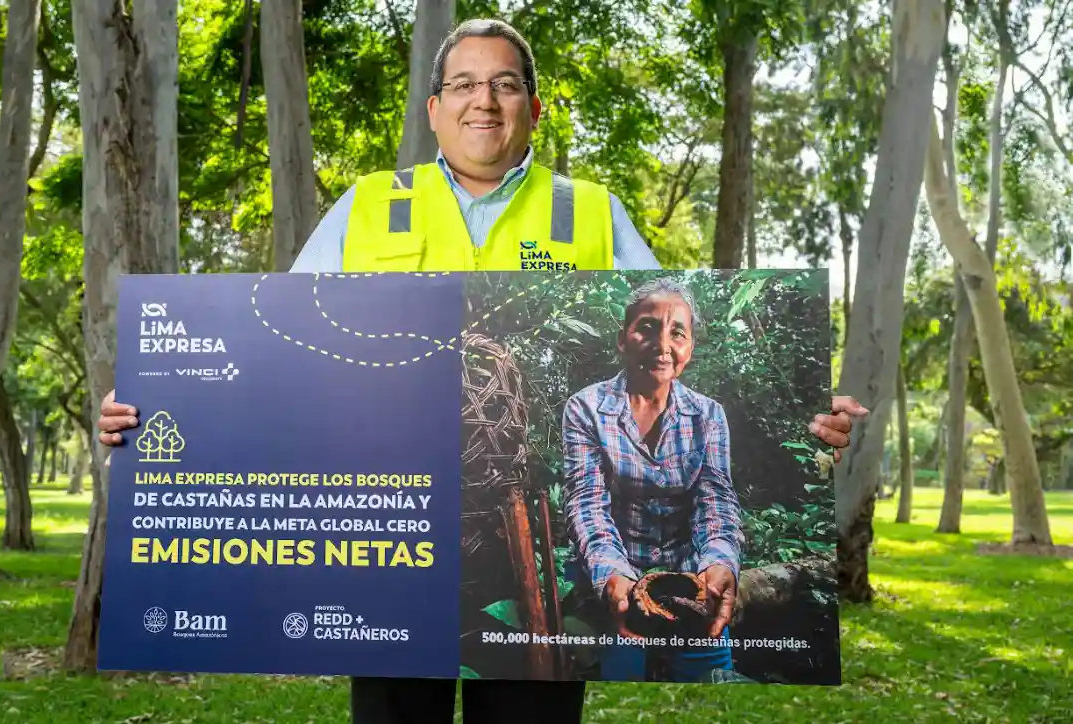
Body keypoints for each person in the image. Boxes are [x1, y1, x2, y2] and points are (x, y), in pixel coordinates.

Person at [97, 17, 868, 724]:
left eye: (504, 84)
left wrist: (814, 413)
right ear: (434, 109)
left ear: (535, 108)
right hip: (389, 533)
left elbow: (667, 339)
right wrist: (161, 399)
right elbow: (277, 353)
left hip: (514, 534)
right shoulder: (368, 207)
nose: (485, 101)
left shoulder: (591, 213)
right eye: (464, 84)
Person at [561, 277, 739, 684]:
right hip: (614, 576)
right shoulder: (586, 408)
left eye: (677, 332)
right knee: (617, 687)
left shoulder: (708, 415)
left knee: (712, 684)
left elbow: (716, 502)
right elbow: (587, 503)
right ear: (623, 339)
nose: (662, 344)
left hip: (689, 580)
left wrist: (719, 562)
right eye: (647, 327)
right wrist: (612, 575)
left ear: (689, 349)